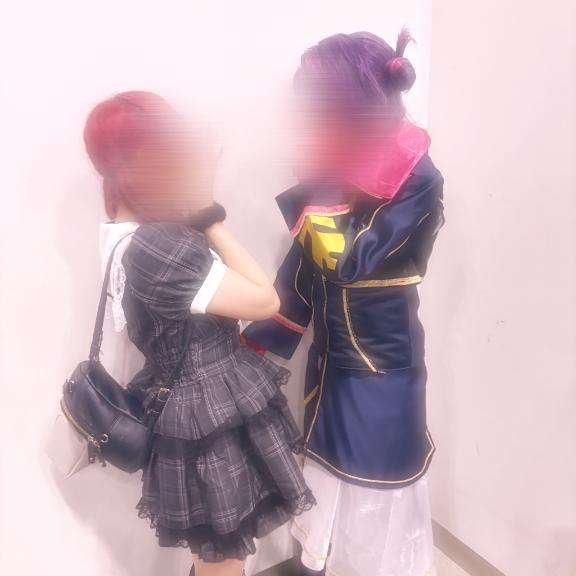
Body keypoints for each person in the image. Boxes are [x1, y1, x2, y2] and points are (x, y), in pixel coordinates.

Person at [83, 91, 315, 576]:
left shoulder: (123, 231)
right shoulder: (156, 248)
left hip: (201, 407)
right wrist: (209, 211)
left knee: (221, 556)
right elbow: (265, 301)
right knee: (223, 561)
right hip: (207, 417)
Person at [243, 30, 444, 576]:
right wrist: (262, 341)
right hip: (332, 357)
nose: (309, 117)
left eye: (318, 103)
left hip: (381, 362)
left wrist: (313, 185)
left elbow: (349, 259)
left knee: (373, 480)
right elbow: (303, 269)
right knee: (325, 474)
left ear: (351, 102)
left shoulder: (417, 174)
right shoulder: (341, 164)